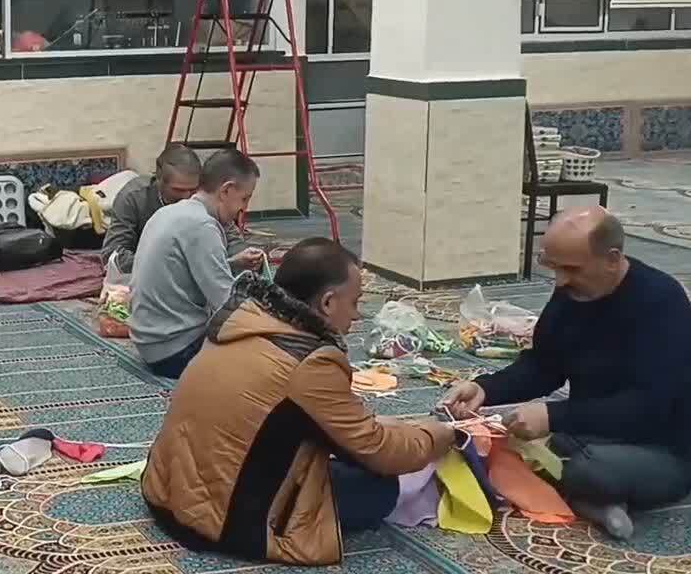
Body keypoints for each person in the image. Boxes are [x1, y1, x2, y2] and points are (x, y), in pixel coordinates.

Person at [143, 239, 456, 566]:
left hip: (166, 494)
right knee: (379, 487)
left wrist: (384, 428)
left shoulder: (242, 319)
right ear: (328, 302)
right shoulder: (309, 363)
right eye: (354, 302)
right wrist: (437, 435)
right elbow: (379, 450)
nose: (357, 314)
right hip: (226, 523)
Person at [442, 207, 691, 540]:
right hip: (591, 434)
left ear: (612, 259)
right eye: (553, 267)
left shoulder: (662, 303)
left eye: (571, 269)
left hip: (661, 450)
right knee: (502, 443)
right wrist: (485, 389)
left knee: (587, 468)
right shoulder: (572, 292)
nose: (560, 280)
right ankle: (596, 501)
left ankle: (591, 495)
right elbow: (544, 365)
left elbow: (649, 407)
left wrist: (553, 416)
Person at [128, 149, 267, 378]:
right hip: (176, 352)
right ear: (226, 190)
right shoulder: (202, 226)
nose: (244, 208)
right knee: (270, 355)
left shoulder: (168, 213)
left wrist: (232, 264)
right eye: (244, 198)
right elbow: (227, 304)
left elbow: (183, 272)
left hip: (149, 343)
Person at [100, 144, 247, 273]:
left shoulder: (204, 196)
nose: (186, 197)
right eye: (178, 190)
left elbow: (231, 237)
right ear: (159, 179)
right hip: (153, 273)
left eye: (192, 190)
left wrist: (243, 257)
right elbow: (112, 255)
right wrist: (169, 264)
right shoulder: (133, 198)